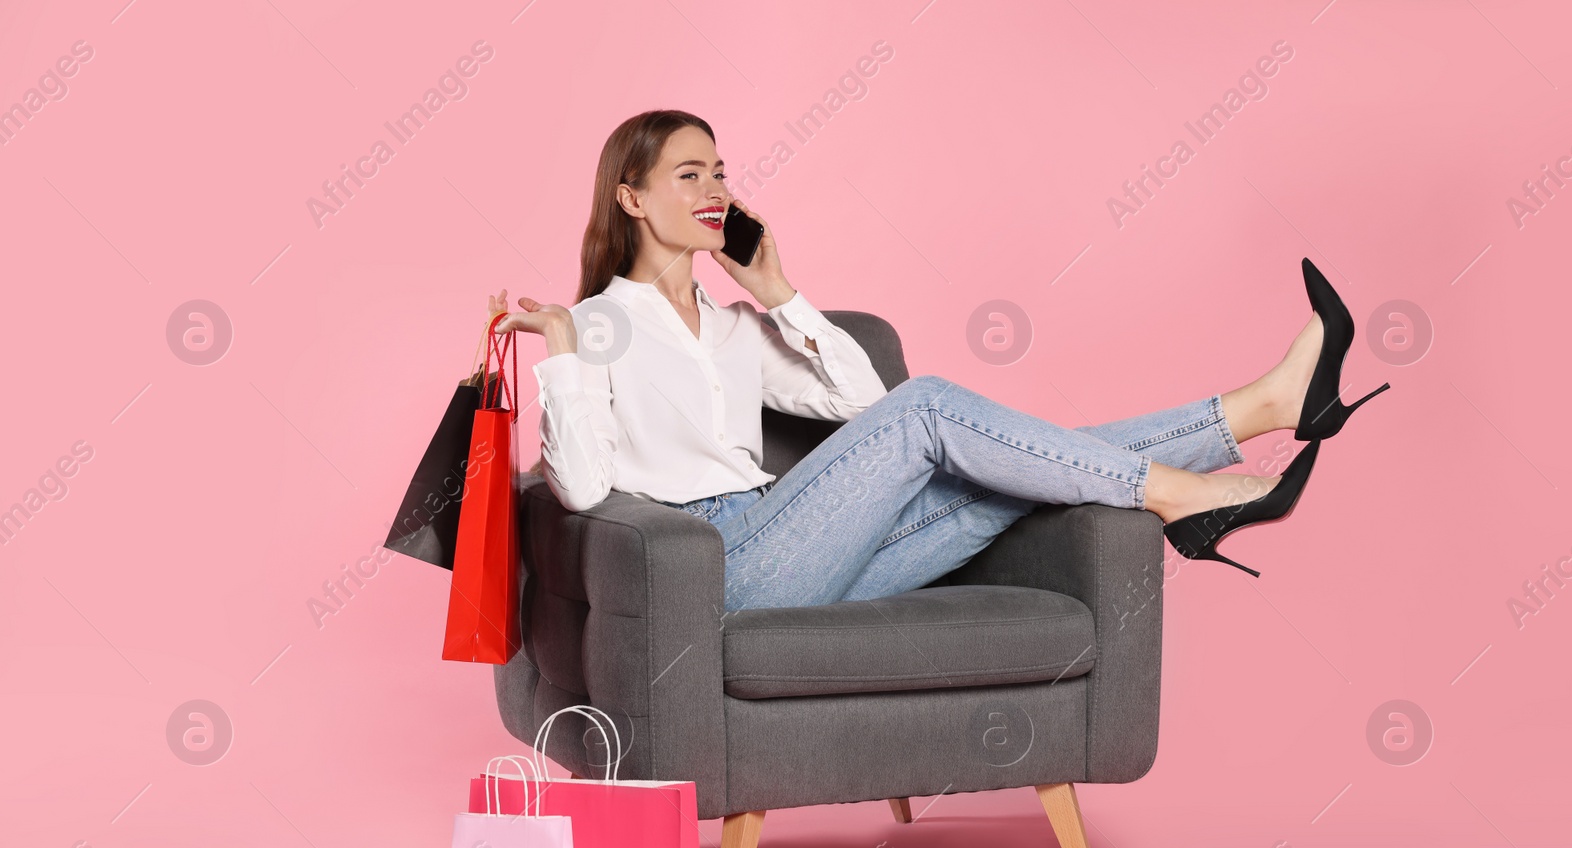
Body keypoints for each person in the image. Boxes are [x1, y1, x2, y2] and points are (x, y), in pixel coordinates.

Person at [488, 109, 1389, 611]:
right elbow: (581, 487)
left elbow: (861, 406)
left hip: (805, 550)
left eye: (720, 170)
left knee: (1014, 472)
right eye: (689, 174)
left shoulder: (731, 328)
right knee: (933, 411)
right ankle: (1187, 489)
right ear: (631, 197)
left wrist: (779, 293)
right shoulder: (599, 323)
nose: (716, 188)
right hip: (718, 563)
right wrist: (561, 355)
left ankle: (1261, 410)